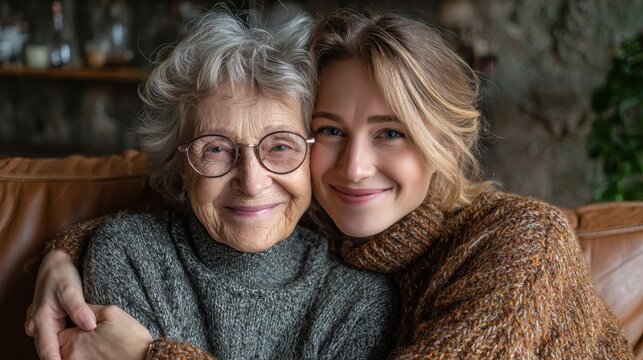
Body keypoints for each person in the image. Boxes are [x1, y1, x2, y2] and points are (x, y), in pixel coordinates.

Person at [27, 7, 634, 360]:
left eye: (391, 132)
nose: (354, 168)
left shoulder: (522, 245)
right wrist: (63, 252)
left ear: (444, 144)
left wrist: (145, 356)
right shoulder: (335, 223)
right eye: (331, 132)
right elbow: (205, 211)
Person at [25, 8, 397, 360]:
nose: (251, 182)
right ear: (181, 166)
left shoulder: (358, 301)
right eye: (216, 149)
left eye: (281, 146)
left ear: (312, 159)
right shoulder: (130, 257)